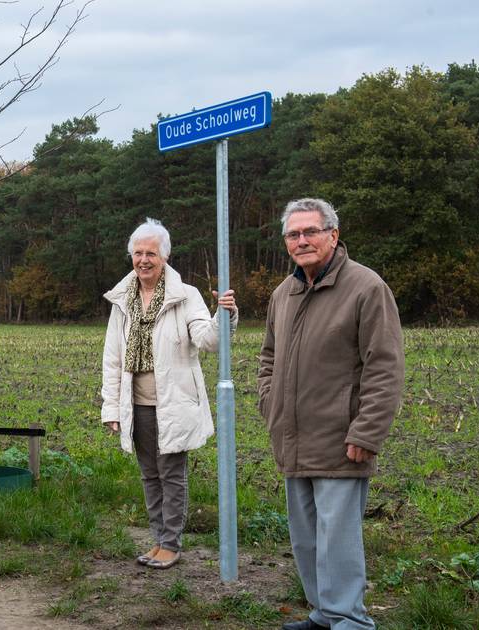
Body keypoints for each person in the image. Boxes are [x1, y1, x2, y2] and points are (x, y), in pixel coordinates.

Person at [258, 198, 404, 630]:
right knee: (306, 539)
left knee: (337, 541)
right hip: (292, 437)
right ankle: (324, 615)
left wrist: (367, 432)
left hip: (342, 440)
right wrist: (270, 404)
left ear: (333, 235)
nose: (301, 240)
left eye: (311, 231)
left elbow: (385, 366)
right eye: (293, 234)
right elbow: (268, 359)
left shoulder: (366, 287)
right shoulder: (283, 294)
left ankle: (349, 621)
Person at [100, 218, 237, 570]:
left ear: (164, 257)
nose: (143, 260)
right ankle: (158, 539)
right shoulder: (122, 299)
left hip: (173, 404)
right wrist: (111, 408)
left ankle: (171, 544)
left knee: (171, 475)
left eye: (151, 254)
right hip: (137, 405)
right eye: (138, 253)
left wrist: (224, 316)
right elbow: (113, 357)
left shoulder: (185, 295)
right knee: (149, 475)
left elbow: (208, 341)